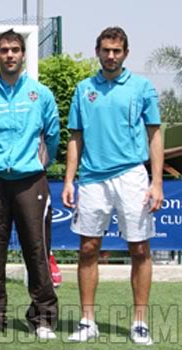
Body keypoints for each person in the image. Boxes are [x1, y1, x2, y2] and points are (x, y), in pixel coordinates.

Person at [62, 27, 163, 345]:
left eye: (116, 51)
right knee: (89, 248)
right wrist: (68, 180)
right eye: (105, 50)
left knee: (140, 249)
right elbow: (75, 137)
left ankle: (139, 323)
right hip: (92, 179)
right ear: (98, 51)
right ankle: (87, 321)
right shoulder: (83, 89)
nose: (110, 56)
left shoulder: (142, 87)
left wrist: (157, 181)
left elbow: (155, 135)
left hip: (132, 176)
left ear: (126, 53)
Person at [0, 29, 60, 339]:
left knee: (36, 250)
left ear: (23, 55)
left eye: (15, 50)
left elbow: (53, 136)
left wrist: (36, 165)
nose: (9, 55)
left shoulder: (41, 94)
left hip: (30, 182)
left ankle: (43, 318)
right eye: (4, 50)